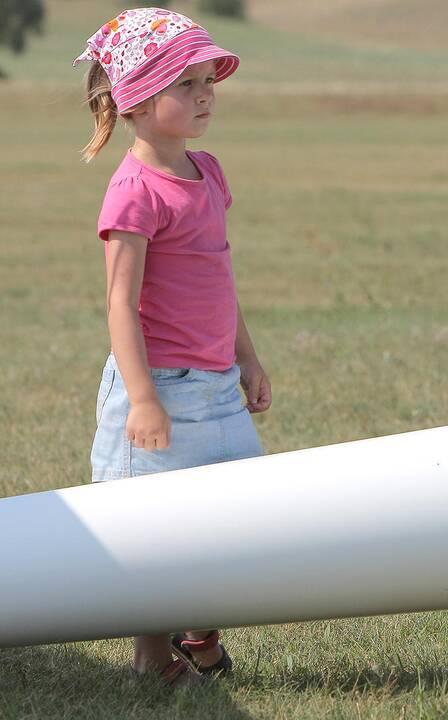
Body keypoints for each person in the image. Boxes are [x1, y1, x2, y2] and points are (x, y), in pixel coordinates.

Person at [74, 8, 271, 688]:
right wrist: (144, 399)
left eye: (208, 79)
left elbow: (220, 274)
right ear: (138, 97)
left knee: (236, 518)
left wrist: (247, 355)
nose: (206, 93)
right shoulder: (134, 190)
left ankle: (198, 626)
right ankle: (154, 656)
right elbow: (119, 306)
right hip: (160, 387)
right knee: (151, 533)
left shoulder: (209, 172)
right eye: (185, 84)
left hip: (216, 384)